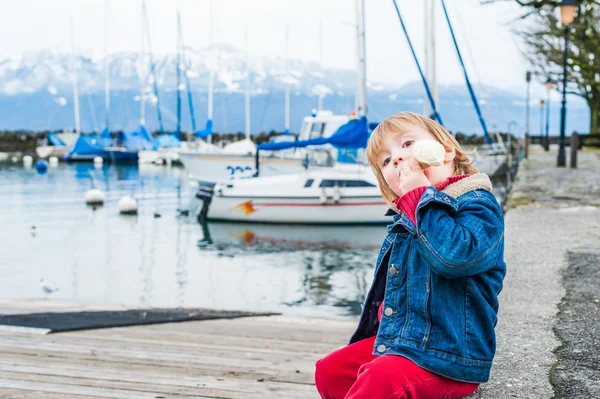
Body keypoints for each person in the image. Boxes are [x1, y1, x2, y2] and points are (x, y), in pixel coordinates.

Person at [314, 112, 506, 399]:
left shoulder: (478, 204)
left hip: (450, 356)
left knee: (381, 379)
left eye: (407, 144)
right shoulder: (406, 217)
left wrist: (420, 196)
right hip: (404, 342)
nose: (399, 159)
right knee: (331, 371)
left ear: (446, 151)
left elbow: (453, 257)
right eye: (387, 161)